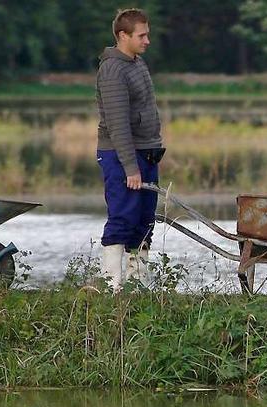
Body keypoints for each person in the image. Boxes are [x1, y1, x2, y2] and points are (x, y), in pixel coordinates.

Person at [95, 8, 165, 292]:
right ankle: (111, 287)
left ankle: (138, 285)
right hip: (122, 155)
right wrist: (130, 168)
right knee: (123, 217)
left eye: (148, 34)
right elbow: (117, 124)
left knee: (144, 220)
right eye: (142, 35)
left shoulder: (136, 63)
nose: (147, 40)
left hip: (147, 152)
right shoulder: (112, 69)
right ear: (123, 36)